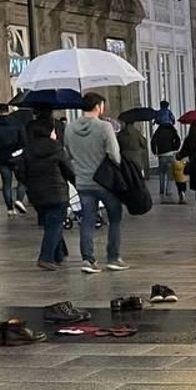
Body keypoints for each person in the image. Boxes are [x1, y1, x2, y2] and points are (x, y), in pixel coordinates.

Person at [65, 92, 127, 273]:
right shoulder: (104, 127)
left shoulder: (69, 128)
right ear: (99, 106)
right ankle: (113, 257)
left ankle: (88, 259)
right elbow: (115, 155)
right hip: (105, 182)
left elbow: (67, 154)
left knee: (87, 220)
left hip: (82, 182)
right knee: (115, 216)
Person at [17, 117, 75, 271]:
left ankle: (59, 253)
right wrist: (76, 183)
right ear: (49, 132)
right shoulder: (57, 148)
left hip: (36, 195)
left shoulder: (28, 150)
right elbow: (68, 169)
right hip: (57, 192)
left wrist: (29, 183)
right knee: (55, 224)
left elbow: (20, 172)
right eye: (54, 131)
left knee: (51, 222)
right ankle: (46, 257)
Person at [0, 103, 28, 215]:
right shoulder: (18, 124)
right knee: (23, 180)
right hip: (17, 157)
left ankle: (9, 208)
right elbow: (24, 142)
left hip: (2, 157)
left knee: (6, 183)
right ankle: (19, 200)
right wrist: (19, 152)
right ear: (8, 110)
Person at [150, 120, 180, 201]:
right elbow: (178, 140)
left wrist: (154, 151)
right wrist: (175, 148)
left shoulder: (158, 131)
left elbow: (153, 141)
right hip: (170, 154)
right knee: (170, 174)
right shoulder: (172, 130)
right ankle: (168, 190)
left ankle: (161, 190)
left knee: (162, 173)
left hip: (161, 155)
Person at [117, 117, 150, 182]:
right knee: (137, 176)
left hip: (124, 157)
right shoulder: (136, 133)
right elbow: (143, 143)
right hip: (136, 157)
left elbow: (118, 145)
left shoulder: (120, 134)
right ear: (133, 123)